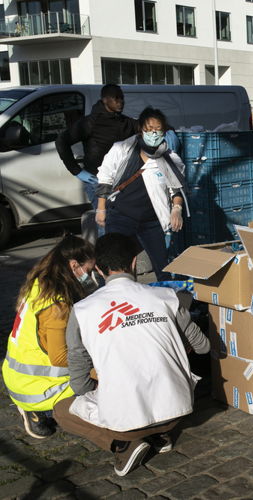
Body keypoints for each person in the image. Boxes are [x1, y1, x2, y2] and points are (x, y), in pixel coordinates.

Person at [54, 233, 209, 476]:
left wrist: (98, 391)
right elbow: (203, 347)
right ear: (135, 262)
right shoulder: (167, 297)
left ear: (98, 269)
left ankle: (124, 444)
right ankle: (160, 435)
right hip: (178, 408)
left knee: (62, 410)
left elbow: (79, 379)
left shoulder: (82, 310)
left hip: (126, 421)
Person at [2, 235, 96, 439]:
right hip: (36, 386)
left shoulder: (40, 284)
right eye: (88, 271)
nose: (89, 277)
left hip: (17, 377)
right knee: (97, 379)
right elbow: (60, 358)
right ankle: (40, 410)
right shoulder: (56, 305)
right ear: (73, 265)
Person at [94, 107, 188, 282]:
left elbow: (176, 189)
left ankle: (167, 297)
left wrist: (176, 209)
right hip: (121, 217)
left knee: (162, 266)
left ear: (164, 131)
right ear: (140, 129)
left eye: (157, 129)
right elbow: (105, 177)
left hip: (151, 221)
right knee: (119, 266)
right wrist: (101, 208)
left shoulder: (170, 158)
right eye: (148, 129)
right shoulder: (122, 149)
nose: (153, 134)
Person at [55, 84, 140, 206]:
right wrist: (77, 171)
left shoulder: (125, 122)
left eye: (122, 98)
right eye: (116, 98)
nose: (120, 102)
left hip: (122, 181)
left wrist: (167, 130)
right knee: (105, 221)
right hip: (98, 181)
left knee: (122, 222)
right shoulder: (90, 122)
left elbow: (146, 125)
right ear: (105, 100)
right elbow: (61, 141)